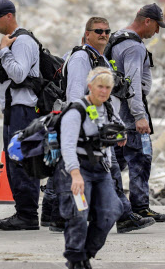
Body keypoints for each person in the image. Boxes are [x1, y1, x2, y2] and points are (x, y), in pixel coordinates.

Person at [62, 17, 155, 234]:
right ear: (87, 34)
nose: (103, 35)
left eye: (106, 31)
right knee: (105, 171)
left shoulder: (100, 59)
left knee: (107, 171)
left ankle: (119, 216)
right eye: (98, 31)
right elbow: (76, 95)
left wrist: (116, 126)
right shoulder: (81, 58)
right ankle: (122, 216)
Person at [55, 67, 124, 268]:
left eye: (108, 88)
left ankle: (87, 253)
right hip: (76, 168)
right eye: (100, 86)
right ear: (90, 86)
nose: (103, 91)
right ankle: (75, 259)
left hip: (100, 169)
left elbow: (108, 143)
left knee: (112, 211)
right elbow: (67, 146)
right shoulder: (76, 110)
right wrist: (75, 175)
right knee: (78, 214)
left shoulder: (107, 109)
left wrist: (109, 167)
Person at [109, 3, 165, 223]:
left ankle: (104, 205)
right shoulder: (134, 47)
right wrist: (139, 116)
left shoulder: (116, 38)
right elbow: (132, 82)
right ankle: (141, 207)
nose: (157, 32)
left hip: (115, 109)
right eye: (156, 26)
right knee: (141, 157)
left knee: (114, 159)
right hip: (130, 110)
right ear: (147, 21)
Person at [0, 0, 41, 231]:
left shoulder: (23, 41)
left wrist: (6, 50)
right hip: (13, 111)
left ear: (9, 16)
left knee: (21, 162)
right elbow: (5, 78)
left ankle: (27, 215)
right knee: (14, 162)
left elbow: (18, 75)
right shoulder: (11, 42)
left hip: (23, 112)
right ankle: (23, 211)